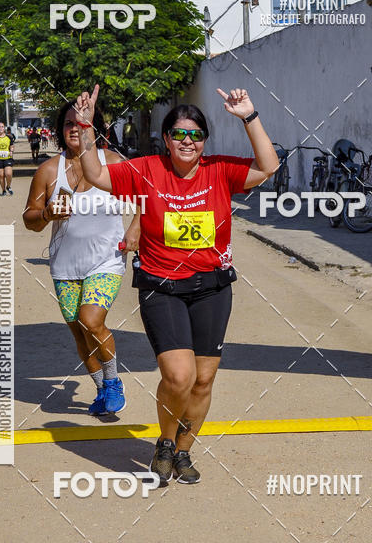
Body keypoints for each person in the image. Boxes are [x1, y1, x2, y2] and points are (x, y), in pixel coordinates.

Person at [75, 84, 278, 485]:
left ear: (204, 141)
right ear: (166, 139)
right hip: (161, 286)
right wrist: (85, 127)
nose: (187, 141)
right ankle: (166, 443)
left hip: (213, 287)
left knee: (203, 380)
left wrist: (249, 117)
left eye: (196, 134)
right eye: (179, 134)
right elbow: (95, 173)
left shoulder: (220, 170)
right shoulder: (147, 169)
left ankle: (183, 452)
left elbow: (268, 166)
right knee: (179, 376)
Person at [23, 100, 139, 415]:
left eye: (82, 123)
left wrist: (135, 230)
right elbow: (29, 220)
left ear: (94, 128)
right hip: (64, 266)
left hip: (106, 261)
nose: (75, 129)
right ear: (61, 131)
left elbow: (145, 197)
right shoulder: (49, 171)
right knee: (80, 331)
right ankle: (101, 389)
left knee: (91, 320)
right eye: (69, 124)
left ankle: (114, 383)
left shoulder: (113, 162)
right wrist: (46, 212)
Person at [0, 121, 15, 195]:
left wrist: (11, 151)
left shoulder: (9, 137)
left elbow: (12, 146)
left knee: (8, 173)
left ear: (4, 128)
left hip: (7, 157)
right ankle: (3, 190)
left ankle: (8, 186)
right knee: (1, 175)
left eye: (2, 126)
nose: (1, 128)